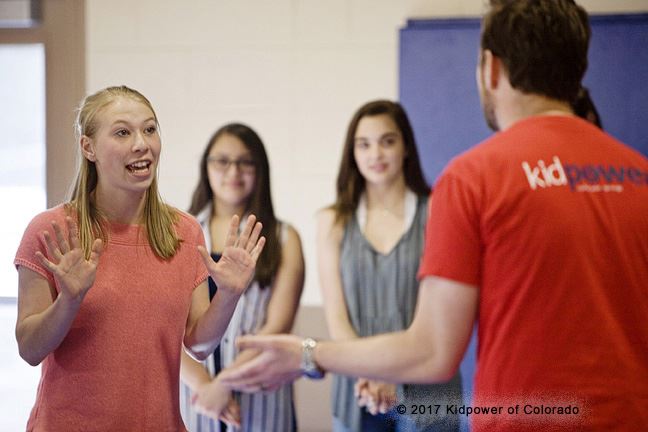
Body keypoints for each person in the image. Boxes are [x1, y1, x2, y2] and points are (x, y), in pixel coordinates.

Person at [217, 1, 648, 431]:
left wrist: (306, 352)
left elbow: (433, 351)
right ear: (578, 66)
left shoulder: (474, 178)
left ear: (490, 69)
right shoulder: (639, 174)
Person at [13, 86, 265, 431]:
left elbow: (199, 344)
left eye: (149, 129)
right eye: (122, 132)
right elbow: (29, 349)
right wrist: (68, 301)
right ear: (89, 148)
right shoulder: (51, 230)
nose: (142, 144)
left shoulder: (184, 232)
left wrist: (230, 294)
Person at [316, 100, 460, 432]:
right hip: (358, 387)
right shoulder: (333, 221)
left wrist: (393, 374)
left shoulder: (438, 211)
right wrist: (373, 373)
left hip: (428, 390)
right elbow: (338, 319)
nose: (375, 154)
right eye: (363, 144)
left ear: (406, 146)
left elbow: (442, 313)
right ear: (352, 153)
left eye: (388, 141)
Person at [179, 123, 305, 432]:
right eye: (221, 160)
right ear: (206, 166)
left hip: (260, 396)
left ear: (260, 169)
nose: (233, 171)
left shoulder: (285, 238)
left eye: (245, 161)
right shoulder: (179, 234)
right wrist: (206, 388)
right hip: (196, 397)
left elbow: (276, 326)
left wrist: (223, 384)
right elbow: (167, 328)